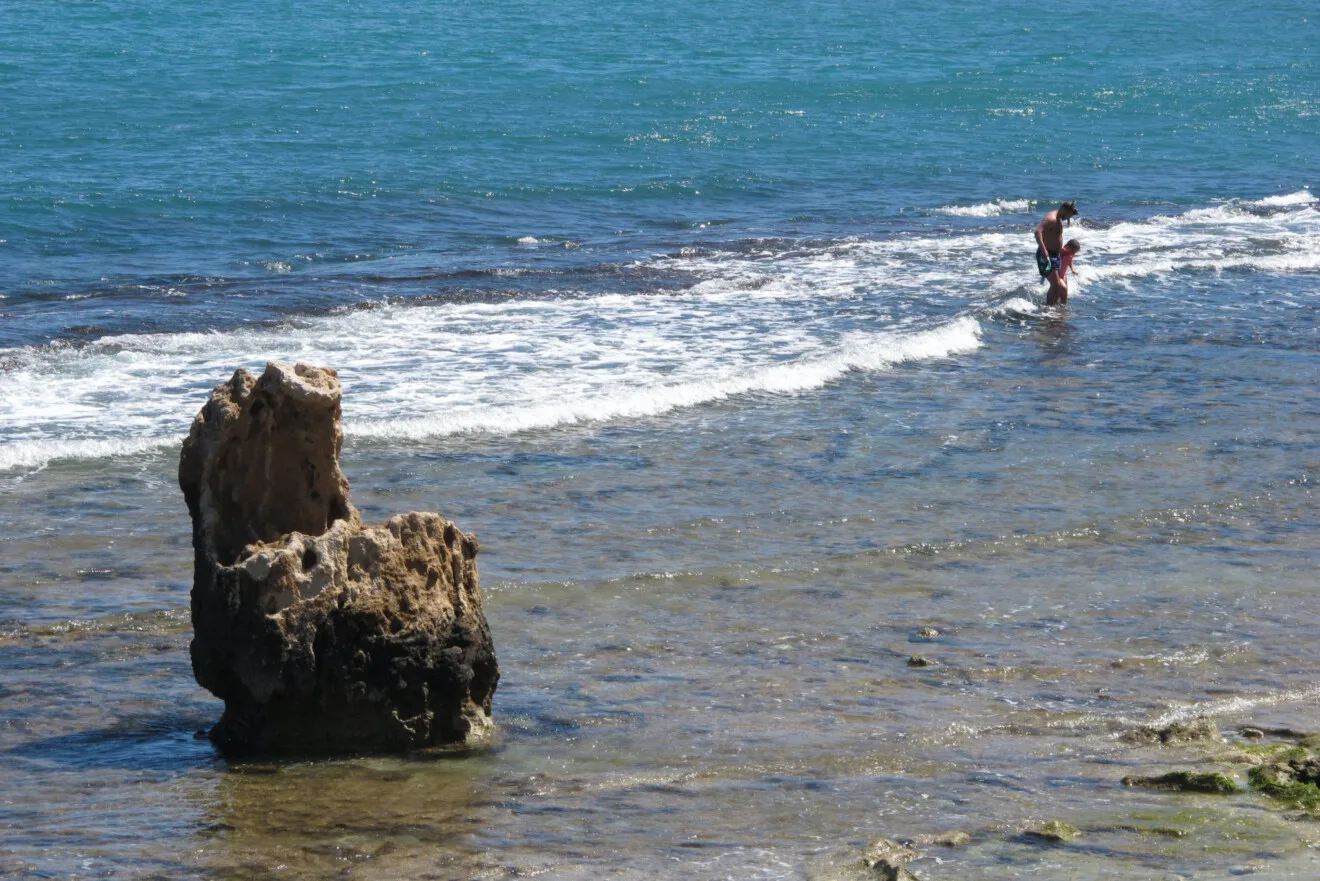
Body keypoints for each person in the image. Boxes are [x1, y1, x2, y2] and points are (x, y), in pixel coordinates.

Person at [1034, 200, 1079, 306]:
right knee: (1056, 285)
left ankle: (1061, 309)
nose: (1068, 218)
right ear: (1064, 210)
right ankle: (1048, 311)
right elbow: (1038, 232)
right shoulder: (1051, 219)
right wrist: (1044, 250)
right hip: (1046, 256)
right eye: (1069, 215)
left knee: (1063, 289)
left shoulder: (1058, 217)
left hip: (1055, 256)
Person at [1050, 239, 1082, 305]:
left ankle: (1059, 305)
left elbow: (1070, 260)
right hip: (1057, 274)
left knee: (1062, 292)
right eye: (1075, 250)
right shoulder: (1063, 251)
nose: (1075, 252)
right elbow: (1054, 255)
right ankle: (1062, 307)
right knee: (1064, 289)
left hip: (1063, 274)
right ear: (1070, 247)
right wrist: (1060, 251)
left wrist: (1072, 270)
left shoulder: (1072, 253)